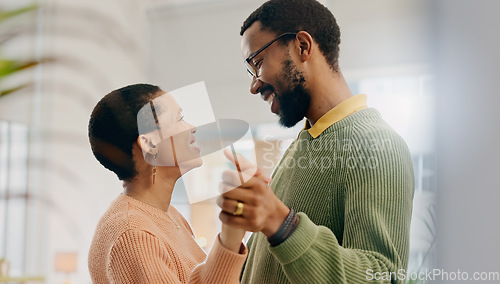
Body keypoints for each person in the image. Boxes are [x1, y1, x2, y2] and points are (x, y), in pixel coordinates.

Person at [217, 0, 415, 283]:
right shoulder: (304, 142)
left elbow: (382, 275)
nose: (254, 85)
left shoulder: (377, 145)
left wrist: (280, 222)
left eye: (258, 63)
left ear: (302, 46)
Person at [88, 84, 247, 283]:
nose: (192, 127)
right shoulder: (134, 233)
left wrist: (234, 228)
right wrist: (231, 232)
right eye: (179, 119)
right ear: (149, 144)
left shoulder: (168, 215)